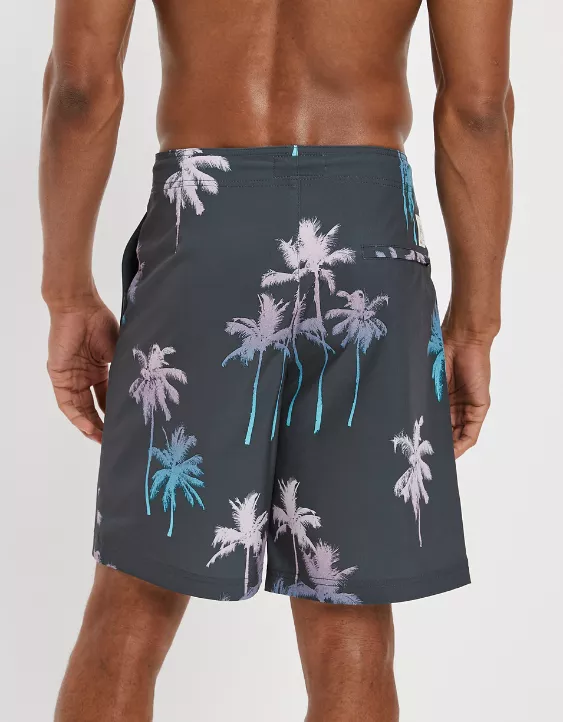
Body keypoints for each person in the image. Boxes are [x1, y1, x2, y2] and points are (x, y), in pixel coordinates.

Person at [40, 0, 513, 720]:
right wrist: (475, 324)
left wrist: (67, 292)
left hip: (202, 230)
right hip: (367, 237)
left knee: (132, 601)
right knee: (348, 618)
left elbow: (81, 88)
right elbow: (477, 108)